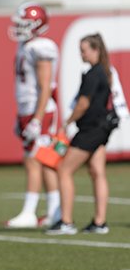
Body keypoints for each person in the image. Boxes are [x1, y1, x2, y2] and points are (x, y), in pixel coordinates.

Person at [47, 34, 116, 236]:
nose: (81, 53)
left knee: (64, 170)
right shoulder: (104, 72)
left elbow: (83, 103)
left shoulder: (94, 74)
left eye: (84, 49)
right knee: (97, 172)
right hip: (101, 129)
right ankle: (100, 222)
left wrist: (67, 123)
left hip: (90, 129)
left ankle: (66, 221)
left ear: (95, 50)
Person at [6, 2, 61, 229]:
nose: (19, 28)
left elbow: (45, 86)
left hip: (40, 110)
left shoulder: (41, 47)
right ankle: (54, 212)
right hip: (29, 110)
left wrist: (37, 119)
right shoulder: (26, 45)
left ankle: (30, 212)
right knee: (44, 161)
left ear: (37, 25)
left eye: (25, 24)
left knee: (34, 160)